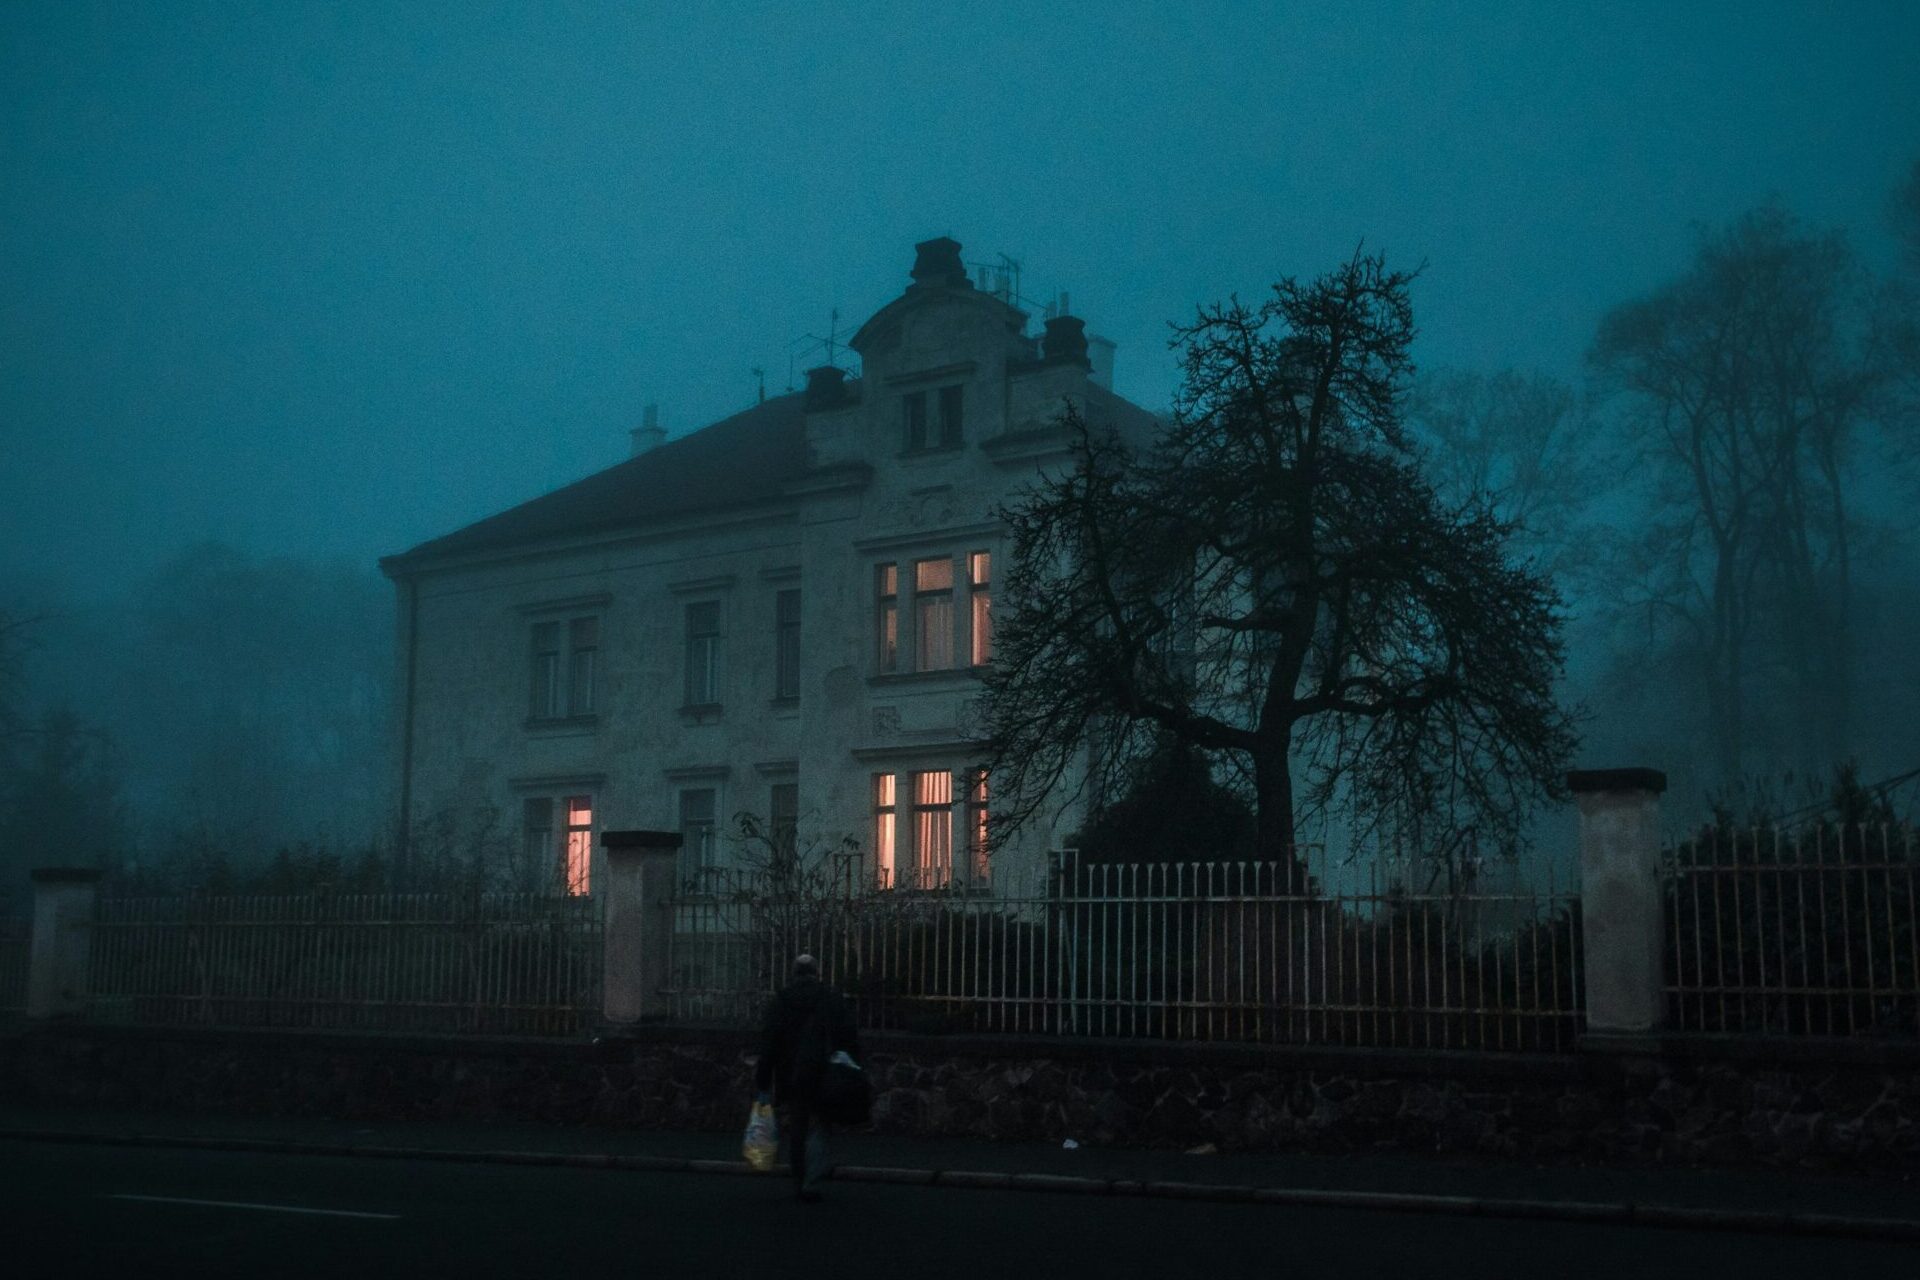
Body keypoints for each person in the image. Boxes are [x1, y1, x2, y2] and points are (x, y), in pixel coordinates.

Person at [754, 953, 860, 1201]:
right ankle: (813, 1178)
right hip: (824, 1071)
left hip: (791, 1072)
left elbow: (769, 1043)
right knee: (822, 1124)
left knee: (798, 1125)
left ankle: (799, 1178)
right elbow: (848, 1036)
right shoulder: (830, 998)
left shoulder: (781, 1001)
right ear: (816, 972)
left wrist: (763, 1081)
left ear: (794, 973)